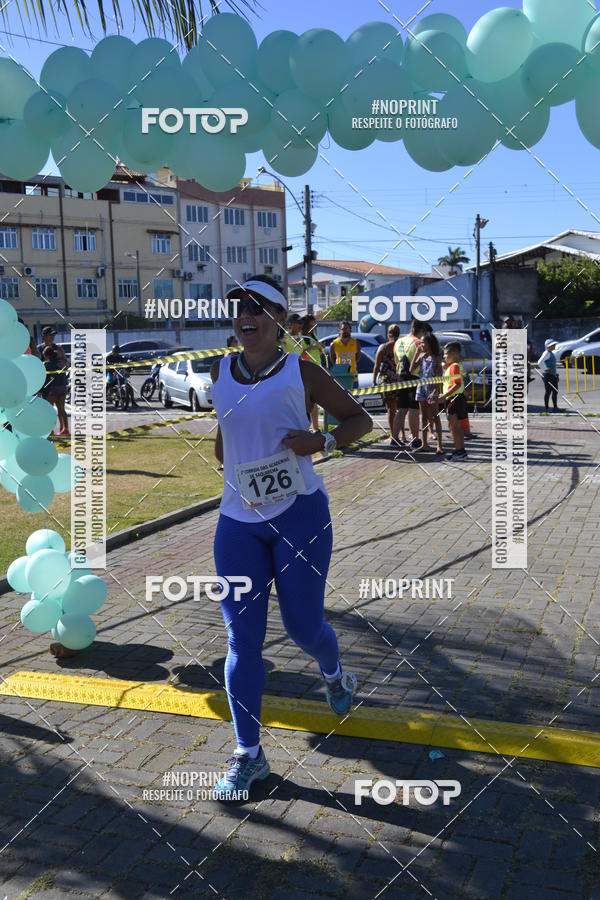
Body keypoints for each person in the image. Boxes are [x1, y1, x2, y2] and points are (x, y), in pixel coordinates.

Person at [210, 275, 372, 801]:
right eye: (239, 308)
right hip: (237, 525)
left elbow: (360, 420)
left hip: (300, 515)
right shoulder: (221, 371)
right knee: (242, 641)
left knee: (303, 627)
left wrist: (318, 440)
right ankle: (248, 755)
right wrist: (245, 469)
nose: (246, 316)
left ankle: (334, 672)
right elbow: (221, 445)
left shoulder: (303, 372)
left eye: (258, 307)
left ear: (281, 320)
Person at [392, 318, 424, 450]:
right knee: (413, 409)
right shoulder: (417, 342)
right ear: (421, 330)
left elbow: (395, 360)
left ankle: (394, 439)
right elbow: (421, 361)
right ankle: (415, 439)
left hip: (400, 376)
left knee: (401, 409)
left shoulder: (398, 341)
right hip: (414, 377)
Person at [439, 341, 468, 461]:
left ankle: (459, 451)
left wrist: (444, 395)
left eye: (446, 354)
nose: (444, 356)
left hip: (453, 398)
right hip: (456, 397)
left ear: (455, 354)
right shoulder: (456, 365)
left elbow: (457, 384)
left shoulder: (454, 366)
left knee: (454, 426)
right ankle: (460, 450)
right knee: (456, 426)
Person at [415, 332, 443, 455]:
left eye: (423, 342)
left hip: (432, 388)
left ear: (429, 344)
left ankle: (439, 446)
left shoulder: (436, 358)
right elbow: (411, 369)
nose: (421, 344)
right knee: (424, 417)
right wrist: (417, 354)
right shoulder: (422, 356)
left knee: (435, 417)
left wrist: (435, 391)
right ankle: (424, 444)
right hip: (421, 388)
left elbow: (439, 376)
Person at [373, 324, 400, 442]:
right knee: (399, 409)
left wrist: (374, 380)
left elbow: (377, 366)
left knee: (390, 409)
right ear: (398, 334)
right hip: (399, 380)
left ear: (388, 334)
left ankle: (393, 436)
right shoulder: (400, 347)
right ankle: (399, 435)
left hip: (386, 380)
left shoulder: (383, 347)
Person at [300, 314, 326, 431]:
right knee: (308, 401)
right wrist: (314, 347)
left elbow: (317, 351)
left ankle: (315, 428)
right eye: (312, 324)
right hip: (307, 370)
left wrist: (320, 347)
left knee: (313, 401)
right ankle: (310, 428)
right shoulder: (301, 337)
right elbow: (302, 353)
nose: (314, 326)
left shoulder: (313, 335)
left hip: (317, 368)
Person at [41, 326, 69, 435]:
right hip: (45, 384)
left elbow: (66, 363)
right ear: (44, 337)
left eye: (53, 335)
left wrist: (63, 364)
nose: (52, 337)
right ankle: (51, 429)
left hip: (58, 382)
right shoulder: (39, 349)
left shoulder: (59, 348)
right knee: (49, 409)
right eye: (50, 335)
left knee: (60, 408)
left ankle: (63, 429)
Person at [329, 321, 361, 387]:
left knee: (353, 397)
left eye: (346, 329)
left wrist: (352, 364)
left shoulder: (355, 342)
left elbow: (357, 358)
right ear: (339, 330)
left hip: (353, 377)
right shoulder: (334, 344)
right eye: (343, 329)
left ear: (350, 330)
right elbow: (333, 360)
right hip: (340, 377)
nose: (345, 331)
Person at [538, 338, 559, 413]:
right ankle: (546, 408)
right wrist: (545, 368)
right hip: (547, 375)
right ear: (548, 346)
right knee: (548, 391)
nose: (554, 346)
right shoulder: (546, 353)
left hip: (552, 375)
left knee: (555, 391)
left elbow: (553, 365)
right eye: (553, 345)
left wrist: (556, 374)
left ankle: (555, 407)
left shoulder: (551, 353)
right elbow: (539, 362)